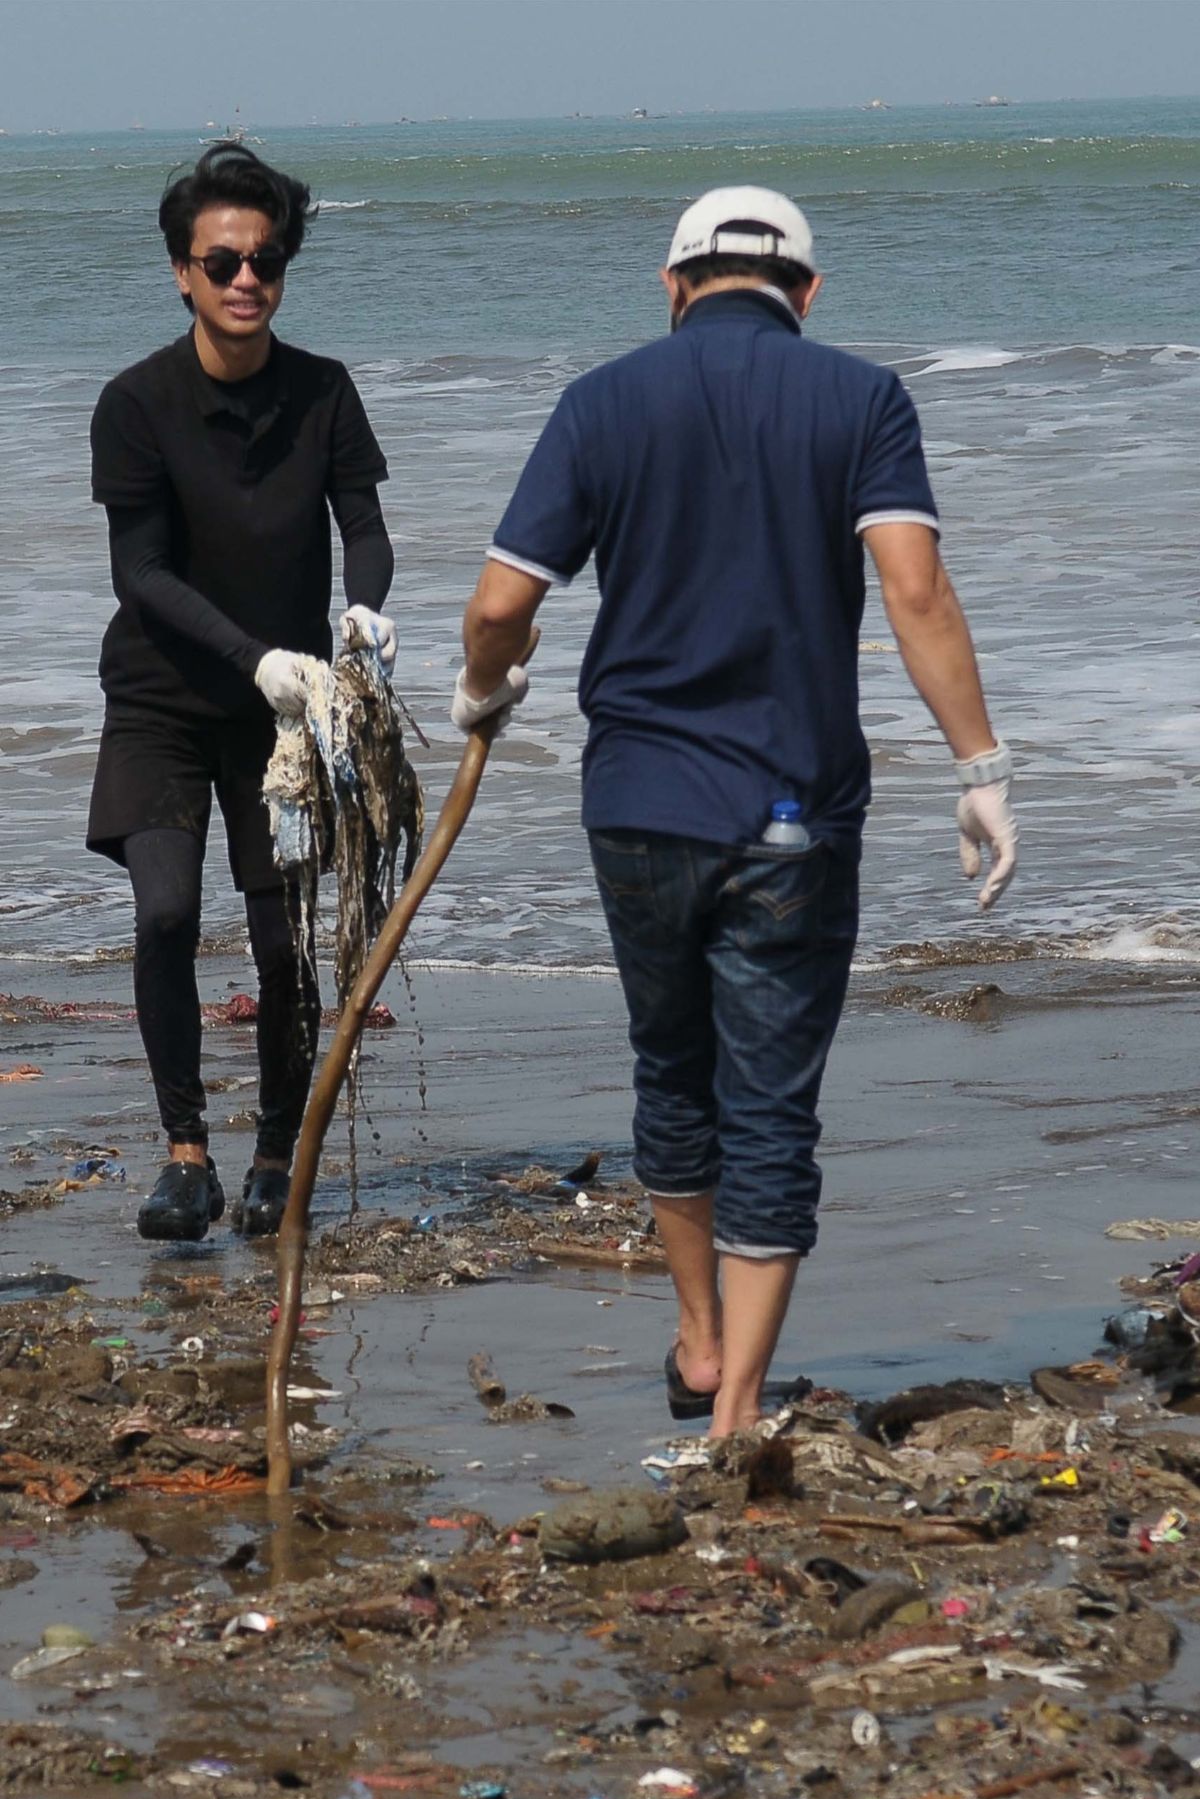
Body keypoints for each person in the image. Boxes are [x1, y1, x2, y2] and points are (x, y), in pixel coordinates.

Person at [452, 185, 1018, 1437]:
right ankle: (740, 1409)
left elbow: (500, 604)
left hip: (638, 804)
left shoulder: (602, 400)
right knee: (770, 1100)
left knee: (673, 1071)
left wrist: (482, 692)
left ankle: (701, 1343)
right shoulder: (863, 399)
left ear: (672, 287)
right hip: (791, 804)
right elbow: (915, 591)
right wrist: (981, 771)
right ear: (807, 296)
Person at [87, 141, 395, 1241]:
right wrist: (252, 655)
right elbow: (143, 575)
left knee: (283, 943)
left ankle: (275, 1150)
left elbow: (361, 524)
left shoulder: (324, 392)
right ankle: (183, 1152)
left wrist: (360, 615)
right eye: (221, 262)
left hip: (290, 714)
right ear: (182, 271)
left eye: (265, 259)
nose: (245, 278)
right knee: (167, 910)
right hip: (163, 700)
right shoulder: (135, 404)